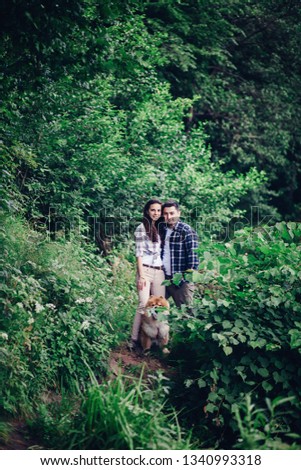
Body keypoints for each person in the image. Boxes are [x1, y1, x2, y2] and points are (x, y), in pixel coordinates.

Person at [129, 199, 166, 351]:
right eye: (153, 210)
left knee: (160, 308)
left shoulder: (160, 228)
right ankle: (133, 340)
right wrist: (142, 275)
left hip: (159, 271)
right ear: (147, 211)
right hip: (145, 271)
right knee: (143, 305)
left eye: (158, 210)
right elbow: (138, 254)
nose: (156, 213)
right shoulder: (141, 228)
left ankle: (160, 341)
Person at [160, 200, 199, 307]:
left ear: (178, 213)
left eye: (172, 213)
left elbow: (193, 258)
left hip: (181, 281)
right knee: (156, 310)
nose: (169, 216)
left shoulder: (186, 230)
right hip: (164, 279)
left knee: (186, 314)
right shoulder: (163, 229)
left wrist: (183, 279)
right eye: (166, 214)